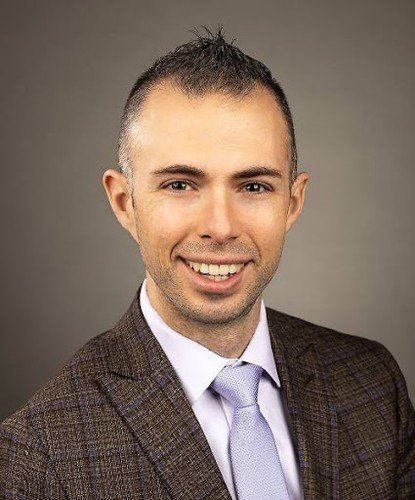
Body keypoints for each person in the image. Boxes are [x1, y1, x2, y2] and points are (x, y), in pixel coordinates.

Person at [1, 29, 414, 499]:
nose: (220, 227)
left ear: (292, 203)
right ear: (124, 202)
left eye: (254, 187)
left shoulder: (373, 384)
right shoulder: (38, 456)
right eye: (180, 185)